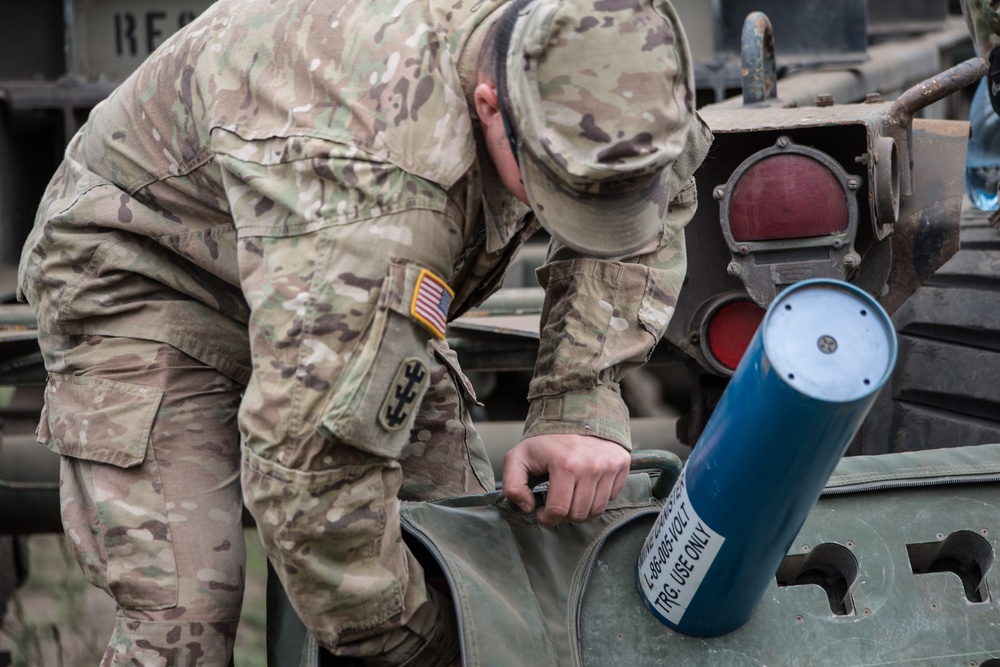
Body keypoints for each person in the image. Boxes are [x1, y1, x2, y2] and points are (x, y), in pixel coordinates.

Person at [16, 0, 711, 663]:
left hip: (319, 268)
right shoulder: (379, 188)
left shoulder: (621, 48)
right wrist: (433, 646)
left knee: (469, 557)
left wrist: (577, 401)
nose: (583, 219)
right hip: (149, 275)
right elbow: (313, 496)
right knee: (185, 618)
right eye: (559, 195)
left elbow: (646, 207)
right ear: (489, 107)